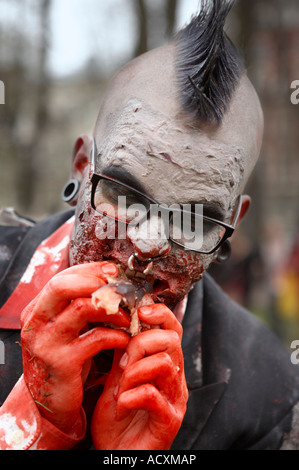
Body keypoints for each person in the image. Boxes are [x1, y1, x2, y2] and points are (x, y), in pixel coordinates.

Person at [1, 0, 299, 450]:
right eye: (122, 195)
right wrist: (32, 428)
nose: (146, 244)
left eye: (194, 219)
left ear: (231, 226)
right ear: (82, 167)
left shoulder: (268, 392)